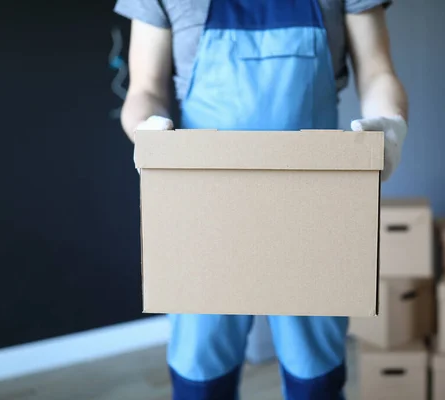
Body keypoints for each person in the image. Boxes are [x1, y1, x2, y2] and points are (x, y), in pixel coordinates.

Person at [114, 0, 409, 399]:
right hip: (205, 211)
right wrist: (147, 132)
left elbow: (377, 73)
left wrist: (390, 126)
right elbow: (145, 89)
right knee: (201, 373)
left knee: (315, 378)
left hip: (313, 206)